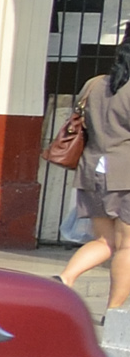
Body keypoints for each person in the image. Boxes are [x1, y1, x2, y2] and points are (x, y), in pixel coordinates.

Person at [59, 54, 125, 316]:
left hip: (92, 168)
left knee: (104, 240)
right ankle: (115, 311)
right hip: (125, 171)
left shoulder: (93, 84)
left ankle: (65, 278)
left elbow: (81, 120)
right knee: (127, 246)